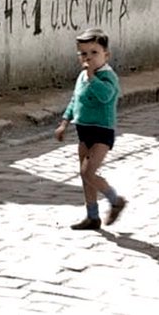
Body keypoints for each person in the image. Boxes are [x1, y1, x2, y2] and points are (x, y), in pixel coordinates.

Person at [54, 27, 126, 230]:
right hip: (83, 131)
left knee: (88, 172)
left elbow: (105, 96)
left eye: (94, 53)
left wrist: (92, 77)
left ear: (106, 54)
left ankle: (115, 200)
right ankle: (92, 216)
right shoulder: (82, 76)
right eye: (83, 54)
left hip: (102, 132)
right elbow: (75, 100)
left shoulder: (107, 77)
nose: (89, 58)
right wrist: (64, 122)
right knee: (85, 176)